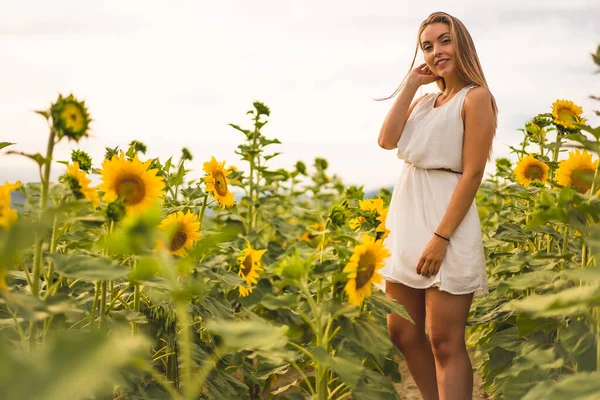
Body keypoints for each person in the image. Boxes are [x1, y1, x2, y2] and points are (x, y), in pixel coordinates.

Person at [376, 11, 497, 400]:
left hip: (446, 220)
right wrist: (412, 83)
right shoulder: (425, 101)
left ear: (461, 42)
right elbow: (386, 139)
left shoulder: (476, 97)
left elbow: (473, 173)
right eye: (427, 46)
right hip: (407, 217)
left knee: (444, 340)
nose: (436, 51)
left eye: (444, 40)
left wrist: (441, 237)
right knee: (403, 331)